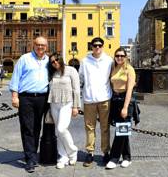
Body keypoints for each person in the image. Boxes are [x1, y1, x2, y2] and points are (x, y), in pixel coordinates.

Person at [9, 36, 50, 173]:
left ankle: (33, 153)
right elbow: (16, 76)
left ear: (46, 46)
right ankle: (30, 159)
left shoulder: (49, 61)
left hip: (43, 98)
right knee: (27, 127)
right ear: (33, 45)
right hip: (26, 97)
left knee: (37, 127)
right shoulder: (24, 58)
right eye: (38, 44)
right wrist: (15, 96)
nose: (40, 47)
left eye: (43, 45)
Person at [79, 37, 113, 167]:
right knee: (89, 128)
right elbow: (80, 78)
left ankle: (106, 152)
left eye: (99, 45)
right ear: (91, 47)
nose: (97, 47)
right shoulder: (85, 61)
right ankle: (90, 153)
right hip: (89, 99)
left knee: (105, 128)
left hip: (105, 99)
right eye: (95, 45)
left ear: (102, 46)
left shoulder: (109, 60)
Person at [105, 47, 139, 169]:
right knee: (122, 129)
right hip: (115, 99)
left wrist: (125, 107)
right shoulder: (113, 67)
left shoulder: (129, 69)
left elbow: (130, 89)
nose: (119, 58)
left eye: (122, 56)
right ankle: (127, 157)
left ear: (126, 57)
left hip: (125, 100)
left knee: (121, 130)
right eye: (117, 56)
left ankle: (114, 158)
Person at [47, 52, 81, 169]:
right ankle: (63, 156)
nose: (55, 63)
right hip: (54, 103)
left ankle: (72, 151)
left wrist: (76, 106)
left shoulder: (71, 70)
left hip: (67, 102)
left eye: (57, 60)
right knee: (58, 130)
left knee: (62, 128)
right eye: (52, 61)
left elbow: (76, 89)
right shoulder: (52, 73)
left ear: (61, 59)